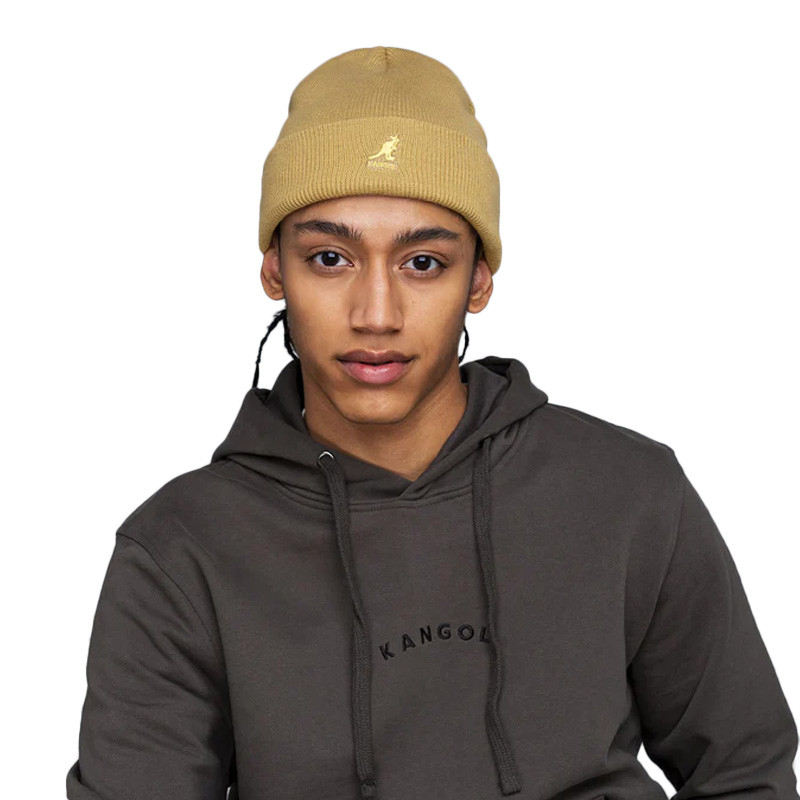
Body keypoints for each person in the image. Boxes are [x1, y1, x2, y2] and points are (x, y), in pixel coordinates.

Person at [66, 45, 799, 800]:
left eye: (423, 263)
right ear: (274, 271)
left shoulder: (627, 492)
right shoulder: (180, 549)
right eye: (329, 258)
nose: (376, 315)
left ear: (478, 280)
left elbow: (746, 774)